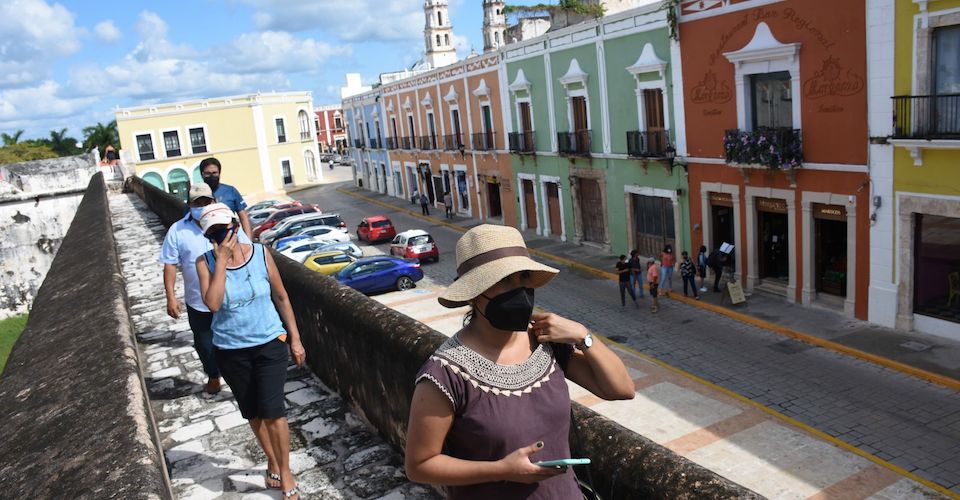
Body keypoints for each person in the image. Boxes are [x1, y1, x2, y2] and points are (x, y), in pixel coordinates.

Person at [404, 225, 635, 498]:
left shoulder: (546, 342)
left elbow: (621, 389)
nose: (521, 290)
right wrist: (501, 470)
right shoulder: (446, 374)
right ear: (476, 292)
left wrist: (583, 335)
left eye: (524, 277)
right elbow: (419, 465)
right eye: (506, 279)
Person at [195, 203, 306, 498]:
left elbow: (281, 297)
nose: (222, 237)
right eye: (214, 234)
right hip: (231, 351)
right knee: (254, 413)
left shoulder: (260, 254)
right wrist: (220, 262)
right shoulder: (204, 263)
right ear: (207, 237)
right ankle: (271, 459)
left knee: (274, 411)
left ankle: (285, 473)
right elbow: (213, 304)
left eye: (224, 230)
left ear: (235, 226)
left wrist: (295, 338)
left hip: (270, 343)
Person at [160, 184, 227, 394]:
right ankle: (213, 374)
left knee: (232, 340)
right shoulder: (177, 230)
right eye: (197, 203)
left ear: (213, 202)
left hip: (228, 298)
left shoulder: (227, 224)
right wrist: (171, 297)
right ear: (190, 205)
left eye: (206, 202)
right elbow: (170, 264)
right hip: (197, 300)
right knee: (204, 343)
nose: (201, 206)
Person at [199, 157, 253, 240]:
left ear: (219, 173)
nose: (211, 176)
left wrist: (249, 241)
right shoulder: (196, 195)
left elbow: (243, 217)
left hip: (231, 238)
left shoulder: (230, 191)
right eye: (208, 173)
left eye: (214, 173)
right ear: (202, 174)